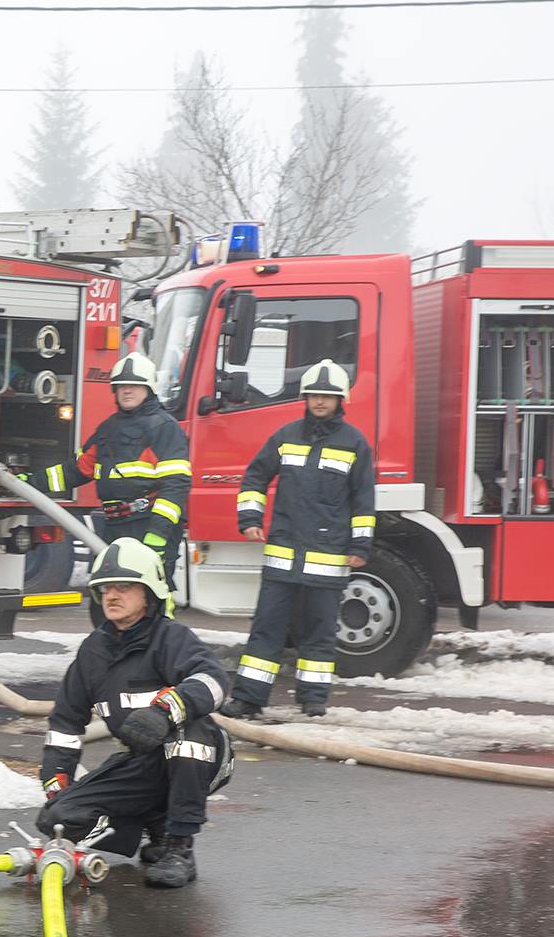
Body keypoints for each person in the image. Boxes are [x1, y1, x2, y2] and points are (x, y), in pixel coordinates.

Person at [35, 537, 235, 889]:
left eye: (124, 587)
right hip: (141, 763)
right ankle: (154, 827)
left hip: (200, 756)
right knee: (58, 819)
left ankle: (180, 846)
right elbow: (66, 722)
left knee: (185, 736)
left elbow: (214, 680)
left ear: (149, 593)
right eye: (105, 588)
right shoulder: (92, 653)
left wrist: (165, 711)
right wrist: (57, 779)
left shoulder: (170, 638)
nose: (112, 595)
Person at [222, 359, 377, 720]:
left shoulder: (355, 443)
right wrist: (249, 519)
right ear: (305, 398)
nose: (320, 401)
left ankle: (313, 699)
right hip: (283, 555)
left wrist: (360, 546)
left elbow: (363, 501)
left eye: (327, 396)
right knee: (266, 629)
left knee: (319, 632)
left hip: (328, 559)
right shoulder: (285, 436)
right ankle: (248, 699)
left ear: (340, 400)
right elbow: (255, 477)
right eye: (314, 395)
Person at [40, 351, 192, 586]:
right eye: (121, 385)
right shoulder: (107, 429)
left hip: (147, 524)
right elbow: (75, 471)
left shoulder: (165, 428)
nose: (127, 390)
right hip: (112, 526)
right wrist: (29, 482)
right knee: (106, 592)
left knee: (149, 594)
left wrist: (156, 536)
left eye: (134, 385)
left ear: (149, 389)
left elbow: (175, 487)